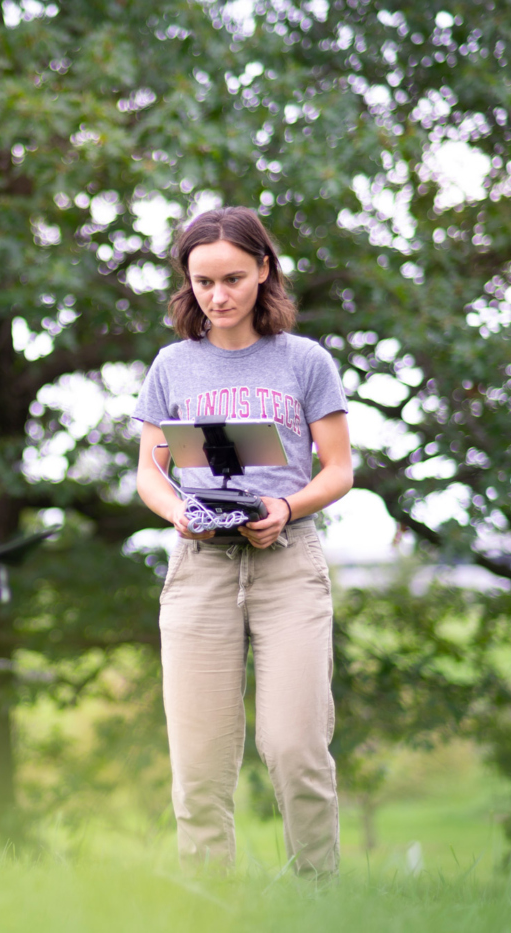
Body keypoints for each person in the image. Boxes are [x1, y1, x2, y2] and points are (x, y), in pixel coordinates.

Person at [132, 206, 352, 875]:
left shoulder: (305, 361)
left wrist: (285, 505)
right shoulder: (172, 365)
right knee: (198, 761)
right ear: (187, 283)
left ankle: (320, 896)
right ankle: (210, 904)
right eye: (203, 282)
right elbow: (150, 469)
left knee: (294, 747)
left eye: (232, 277)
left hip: (287, 565)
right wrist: (178, 512)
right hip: (200, 567)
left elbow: (340, 469)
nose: (218, 295)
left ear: (263, 270)